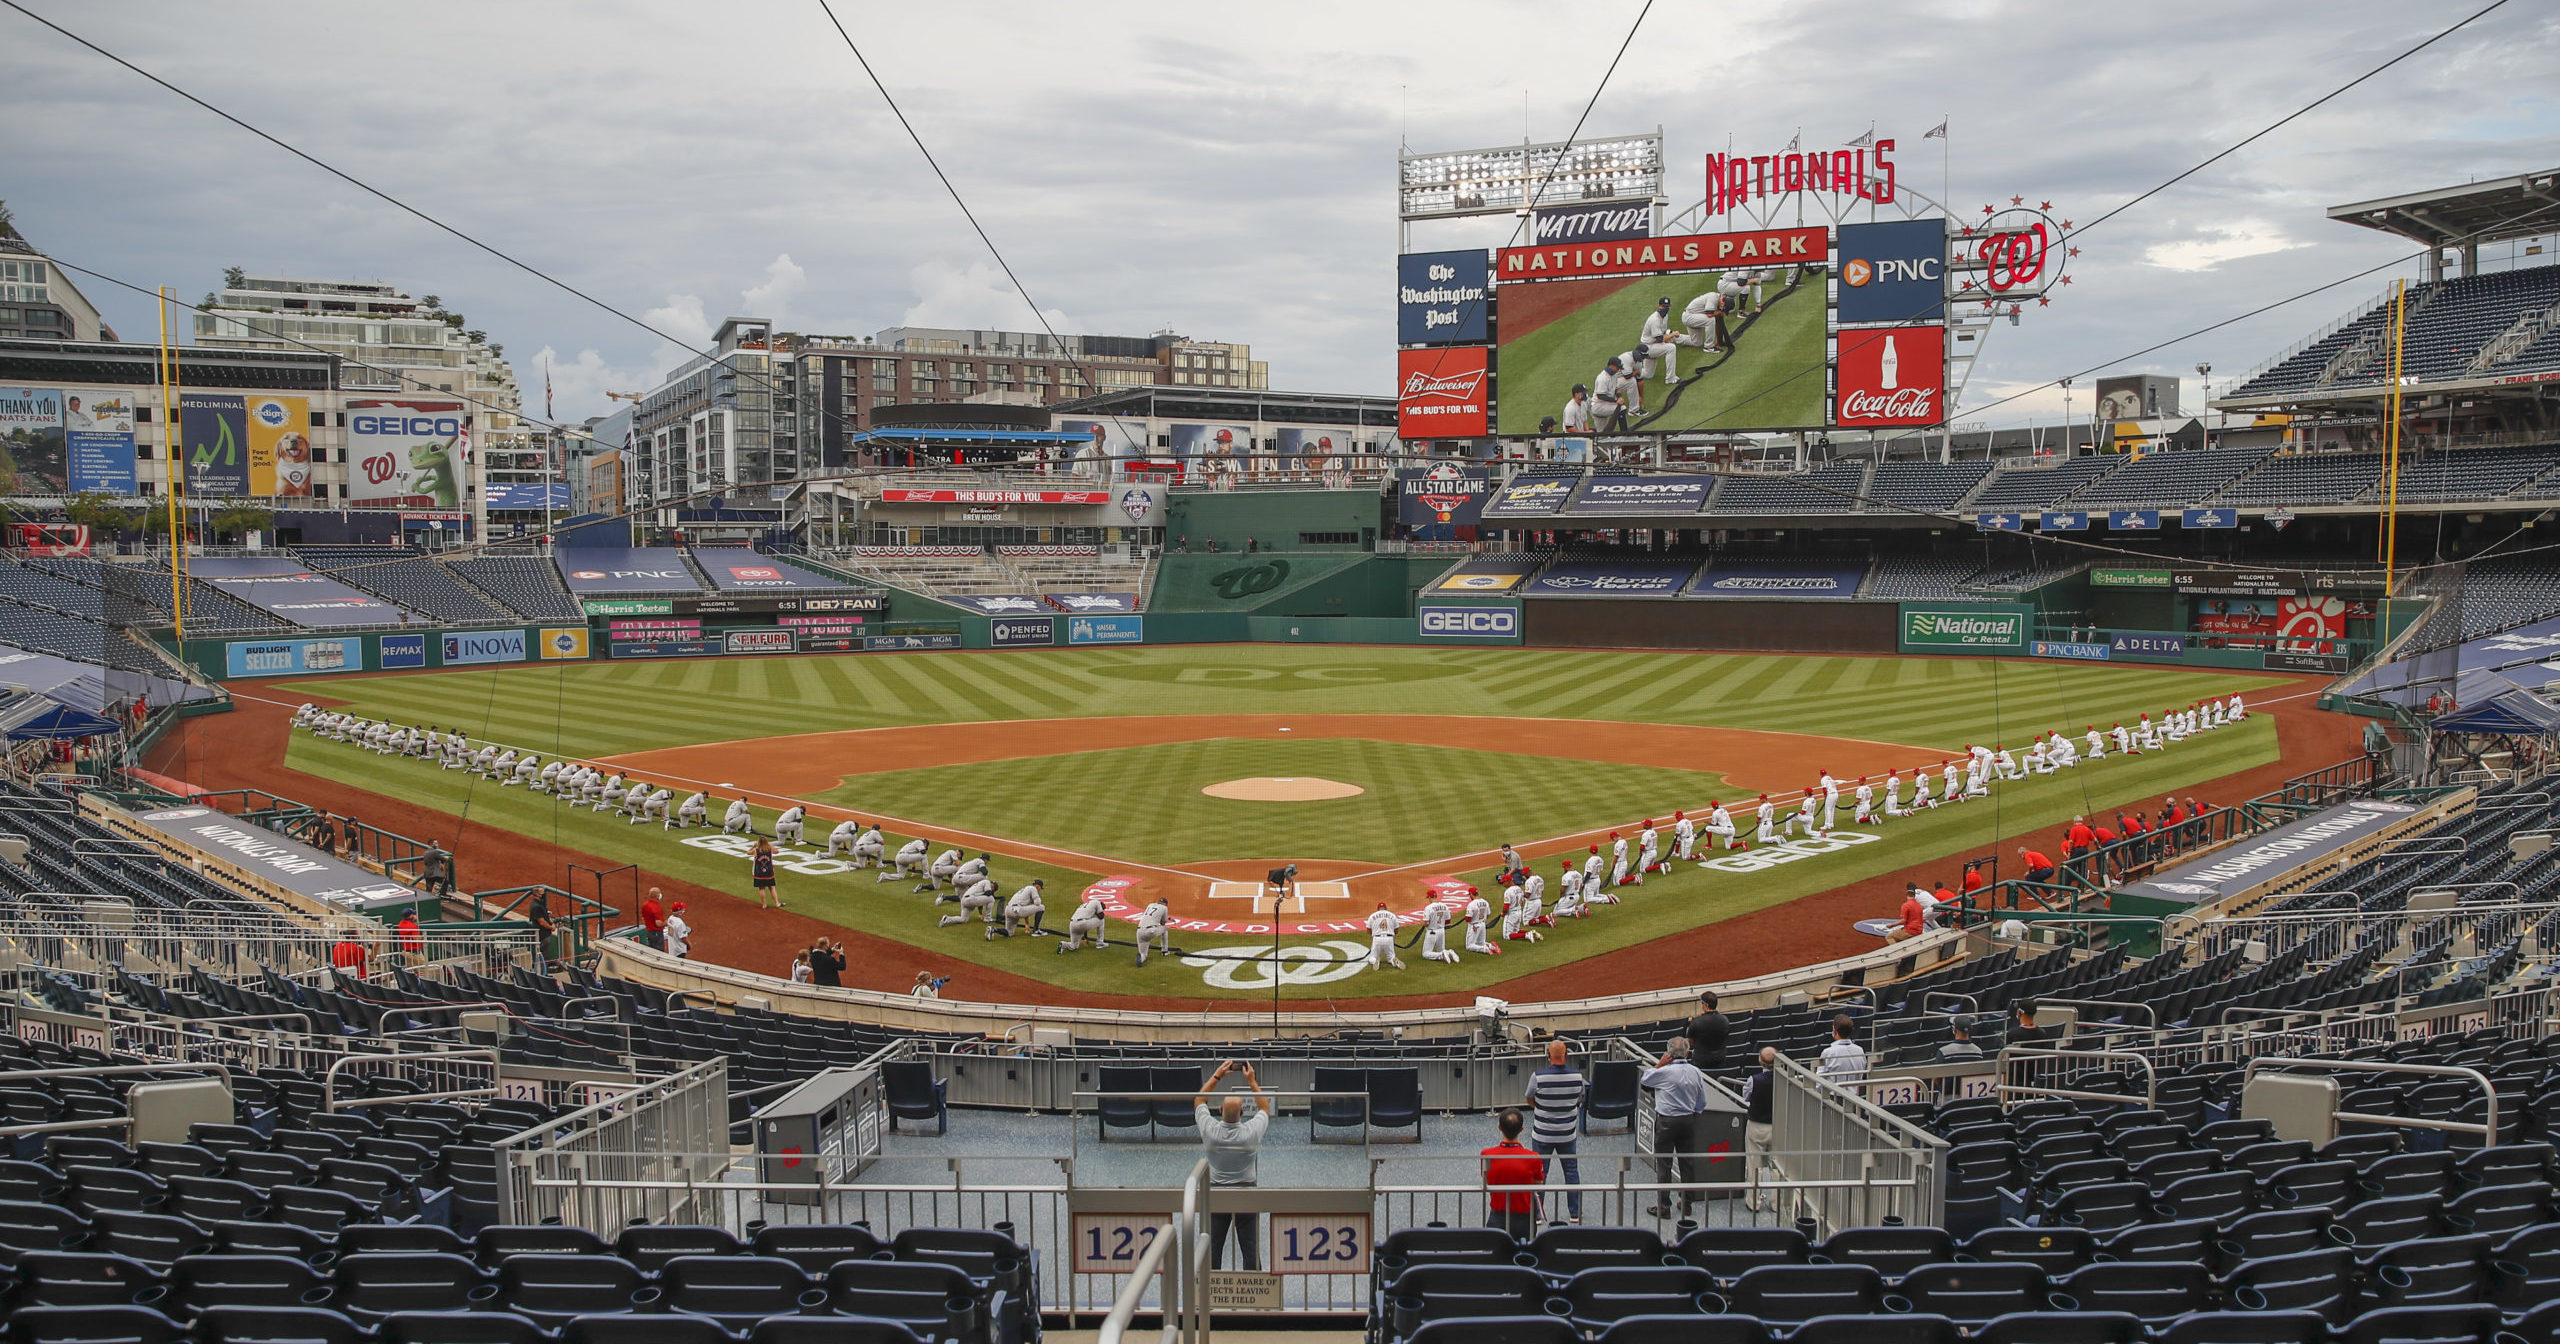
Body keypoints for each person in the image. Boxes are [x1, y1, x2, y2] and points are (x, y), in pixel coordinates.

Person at [1194, 1061, 1271, 1270]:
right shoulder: (1250, 1134)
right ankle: (1255, 1293)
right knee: (1250, 1248)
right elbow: (1264, 1107)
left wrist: (1218, 1075)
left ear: (1219, 1110)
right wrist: (1252, 1081)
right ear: (1243, 1113)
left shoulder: (1210, 1131)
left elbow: (1199, 1100)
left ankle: (1209, 1293)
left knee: (1213, 1247)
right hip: (1246, 1195)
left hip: (1217, 1195)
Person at [1640, 1038, 1712, 1220]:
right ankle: (1687, 1204)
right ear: (1687, 1053)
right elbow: (1702, 1101)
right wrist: (1693, 1113)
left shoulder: (1664, 1072)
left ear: (1669, 1054)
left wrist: (1659, 1064)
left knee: (1664, 1164)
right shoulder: (1696, 1072)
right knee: (1687, 1163)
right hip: (1688, 1121)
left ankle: (1664, 1207)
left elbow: (1645, 1079)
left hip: (1666, 1123)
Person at [1525, 1040, 1587, 1223]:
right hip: (1567, 1135)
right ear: (1566, 1055)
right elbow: (1579, 1098)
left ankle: (1537, 1214)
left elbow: (1529, 1098)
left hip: (1542, 1134)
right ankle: (1574, 1213)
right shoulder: (1577, 1077)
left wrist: (1542, 1108)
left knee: (1540, 1173)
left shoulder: (1538, 1077)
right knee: (1571, 1172)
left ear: (1548, 1056)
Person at [1481, 1109, 1546, 1240]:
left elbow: (1486, 1180)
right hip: (1524, 1218)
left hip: (1497, 1216)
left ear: (1500, 1128)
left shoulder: (1487, 1154)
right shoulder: (1533, 1157)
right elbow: (1539, 1184)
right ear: (1521, 1129)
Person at [1742, 1047, 1779, 1212]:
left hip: (1757, 1126)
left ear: (1760, 1061)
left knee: (1754, 1166)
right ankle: (1777, 1204)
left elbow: (1746, 1097)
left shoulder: (1753, 1080)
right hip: (1778, 1127)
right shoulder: (1785, 1081)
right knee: (1777, 1168)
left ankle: (1753, 1203)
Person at [1816, 1014, 1869, 1086]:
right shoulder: (1860, 1050)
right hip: (1854, 1094)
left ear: (1835, 1031)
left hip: (1833, 1095)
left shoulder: (1828, 1053)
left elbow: (1819, 1081)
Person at [1685, 991, 1729, 1070]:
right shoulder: (1725, 1020)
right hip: (1720, 1060)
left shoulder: (1696, 1022)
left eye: (1702, 1003)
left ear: (1706, 1005)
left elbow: (1690, 1042)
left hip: (1700, 1063)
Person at [752, 839, 781, 910]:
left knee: (761, 888)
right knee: (772, 887)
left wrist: (753, 846)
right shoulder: (770, 849)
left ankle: (764, 905)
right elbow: (777, 851)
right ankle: (777, 903)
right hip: (769, 872)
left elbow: (747, 852)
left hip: (759, 872)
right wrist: (770, 845)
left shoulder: (756, 850)